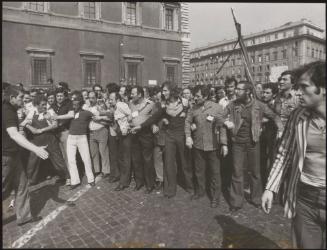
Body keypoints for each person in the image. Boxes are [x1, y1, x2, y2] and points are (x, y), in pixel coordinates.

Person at [262, 61, 326, 249]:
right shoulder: (298, 116)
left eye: (304, 87)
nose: (298, 92)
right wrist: (270, 188)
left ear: (323, 88)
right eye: (297, 87)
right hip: (304, 198)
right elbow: (284, 153)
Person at [224, 81, 283, 212]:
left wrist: (280, 130)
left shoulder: (259, 105)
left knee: (255, 172)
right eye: (236, 89)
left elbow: (275, 117)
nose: (236, 91)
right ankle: (236, 202)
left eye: (240, 89)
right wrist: (226, 121)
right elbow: (219, 116)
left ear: (248, 92)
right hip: (237, 143)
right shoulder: (232, 104)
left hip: (253, 143)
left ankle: (256, 199)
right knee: (237, 172)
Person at [2, 85, 48, 226]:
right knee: (3, 188)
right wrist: (35, 149)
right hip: (6, 157)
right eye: (21, 97)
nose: (23, 100)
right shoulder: (7, 111)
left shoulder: (11, 109)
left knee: (22, 186)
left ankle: (24, 217)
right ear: (12, 98)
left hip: (14, 155)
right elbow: (14, 134)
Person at [185, 85, 226, 208]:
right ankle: (201, 191)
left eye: (197, 96)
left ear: (205, 96)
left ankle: (215, 197)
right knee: (199, 171)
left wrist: (224, 143)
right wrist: (188, 136)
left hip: (213, 145)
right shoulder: (193, 108)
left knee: (215, 173)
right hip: (198, 145)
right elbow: (187, 121)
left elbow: (222, 126)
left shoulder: (217, 108)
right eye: (194, 96)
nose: (195, 98)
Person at [21, 94, 69, 185]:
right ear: (37, 105)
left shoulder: (50, 111)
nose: (45, 106)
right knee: (32, 161)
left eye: (45, 104)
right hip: (36, 140)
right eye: (42, 104)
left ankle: (66, 177)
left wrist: (41, 130)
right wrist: (32, 129)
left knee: (57, 159)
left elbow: (55, 125)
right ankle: (31, 180)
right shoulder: (32, 112)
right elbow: (24, 123)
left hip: (49, 138)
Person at [52, 94, 95, 189]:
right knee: (71, 160)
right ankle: (75, 181)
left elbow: (96, 117)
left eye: (76, 104)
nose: (74, 106)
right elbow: (61, 121)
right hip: (71, 138)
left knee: (86, 159)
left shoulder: (87, 113)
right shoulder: (70, 114)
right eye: (73, 104)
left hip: (82, 138)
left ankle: (91, 179)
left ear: (80, 104)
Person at [129, 86, 157, 194]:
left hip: (146, 134)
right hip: (134, 134)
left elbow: (154, 118)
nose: (131, 96)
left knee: (147, 160)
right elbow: (131, 117)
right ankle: (139, 182)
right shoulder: (131, 104)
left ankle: (150, 184)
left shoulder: (150, 104)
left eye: (133, 94)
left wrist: (153, 125)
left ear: (139, 94)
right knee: (136, 160)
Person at [83, 91, 111, 178]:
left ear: (96, 98)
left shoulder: (100, 106)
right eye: (89, 98)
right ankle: (96, 170)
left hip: (101, 130)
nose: (91, 100)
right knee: (93, 153)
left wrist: (99, 118)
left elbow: (109, 117)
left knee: (103, 152)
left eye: (93, 98)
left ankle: (106, 171)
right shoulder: (86, 107)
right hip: (91, 133)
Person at [52, 87, 73, 185]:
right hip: (55, 133)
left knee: (67, 156)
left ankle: (71, 177)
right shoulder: (53, 105)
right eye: (57, 96)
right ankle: (63, 176)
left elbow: (71, 115)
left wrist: (57, 117)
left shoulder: (68, 103)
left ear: (64, 96)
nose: (59, 98)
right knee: (59, 156)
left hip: (65, 132)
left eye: (61, 96)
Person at [260, 82, 279, 186]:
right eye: (263, 92)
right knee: (261, 160)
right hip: (261, 135)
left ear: (274, 95)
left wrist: (266, 119)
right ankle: (263, 183)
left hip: (272, 135)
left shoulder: (277, 104)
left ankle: (271, 185)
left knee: (273, 160)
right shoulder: (261, 104)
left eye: (267, 93)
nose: (264, 95)